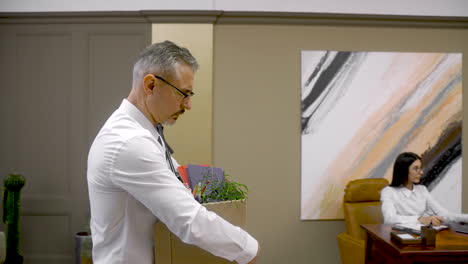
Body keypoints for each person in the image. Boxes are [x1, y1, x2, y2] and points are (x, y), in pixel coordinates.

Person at [87, 41, 258, 264]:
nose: (188, 105)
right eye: (183, 94)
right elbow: (188, 219)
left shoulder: (144, 133)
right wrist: (248, 250)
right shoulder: (128, 143)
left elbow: (179, 190)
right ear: (150, 85)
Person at [381, 152, 468, 226]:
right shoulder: (388, 191)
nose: (421, 172)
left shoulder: (422, 190)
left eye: (420, 168)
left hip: (423, 234)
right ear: (403, 170)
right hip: (399, 236)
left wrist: (465, 218)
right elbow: (389, 219)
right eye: (416, 168)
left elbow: (444, 214)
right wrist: (420, 219)